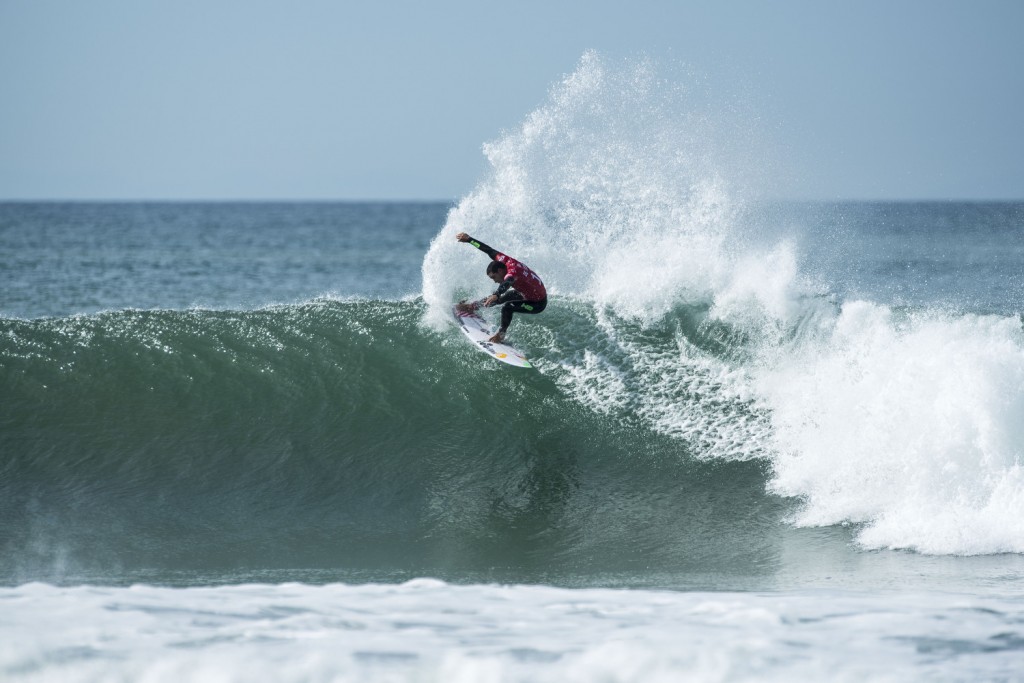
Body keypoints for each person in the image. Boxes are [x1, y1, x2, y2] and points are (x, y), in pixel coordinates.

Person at [455, 232, 547, 344]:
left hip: (537, 304)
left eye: (494, 277)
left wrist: (497, 293)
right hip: (524, 294)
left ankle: (501, 335)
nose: (494, 280)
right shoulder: (503, 260)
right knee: (499, 299)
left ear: (499, 271)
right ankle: (472, 307)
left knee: (508, 306)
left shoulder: (512, 273)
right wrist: (469, 239)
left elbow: (507, 283)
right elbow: (488, 250)